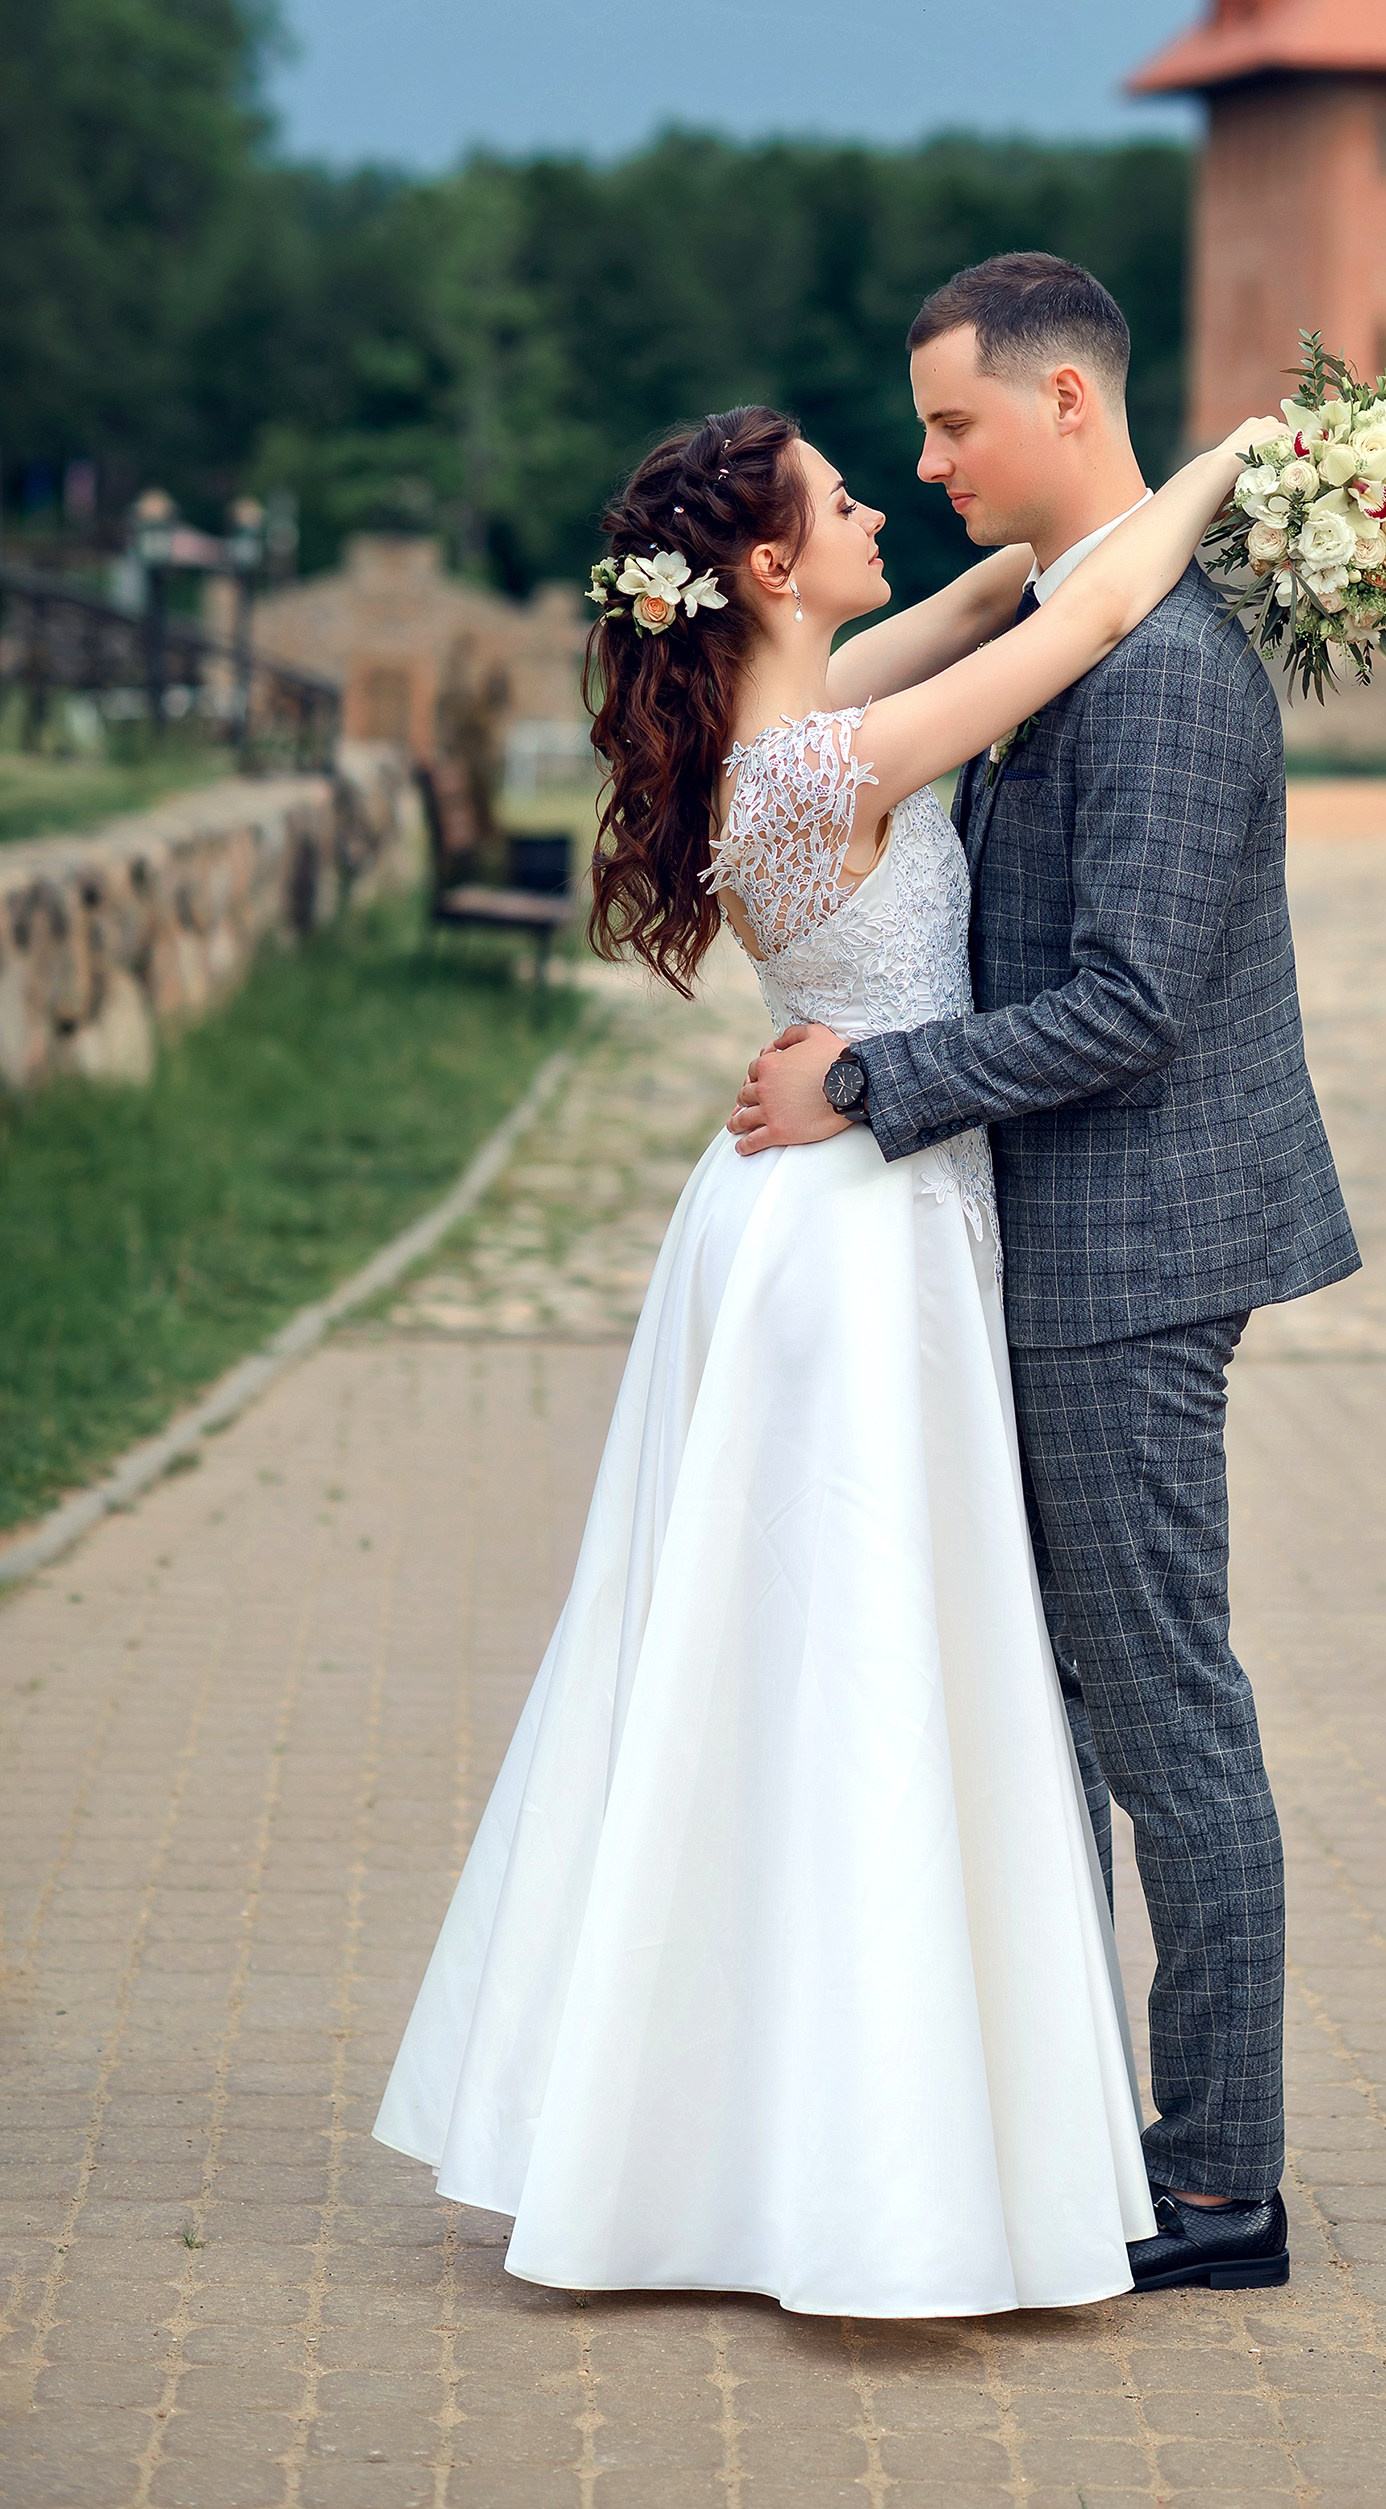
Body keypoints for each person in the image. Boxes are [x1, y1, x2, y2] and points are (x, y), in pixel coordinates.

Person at [373, 353, 1296, 2315]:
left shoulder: (795, 717)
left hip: (814, 1207)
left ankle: (809, 2104)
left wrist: (1047, 531)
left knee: (802, 1658)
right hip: (863, 1233)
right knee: (873, 1666)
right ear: (779, 566)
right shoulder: (821, 759)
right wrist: (1239, 458)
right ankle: (880, 2134)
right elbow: (1104, 611)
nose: (891, 503)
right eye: (843, 494)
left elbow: (1015, 595)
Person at [731, 253, 1358, 2293]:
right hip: (1037, 1238)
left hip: (1130, 1249)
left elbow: (1132, 1008)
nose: (925, 462)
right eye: (904, 436)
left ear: (1070, 404)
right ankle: (1070, 2121)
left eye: (952, 425)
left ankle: (1219, 2182)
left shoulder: (1164, 672)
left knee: (1162, 1709)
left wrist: (872, 1080)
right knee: (1072, 1711)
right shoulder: (1071, 627)